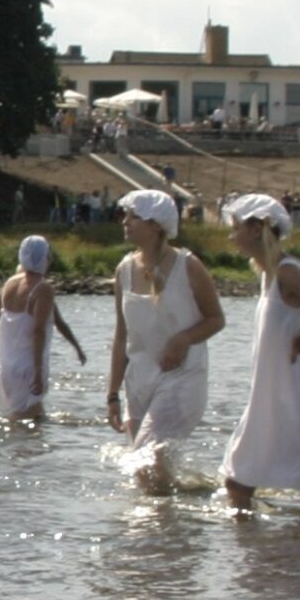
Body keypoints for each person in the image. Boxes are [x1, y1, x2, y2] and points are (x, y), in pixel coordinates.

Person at [219, 193, 300, 516]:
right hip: (273, 399)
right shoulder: (269, 274)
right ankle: (259, 560)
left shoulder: (288, 271)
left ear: (258, 227)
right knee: (237, 484)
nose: (231, 236)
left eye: (236, 227)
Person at [107, 189, 226, 493]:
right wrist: (112, 394)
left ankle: (159, 534)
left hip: (181, 378)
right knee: (147, 478)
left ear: (156, 225)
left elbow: (216, 319)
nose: (126, 221)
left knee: (145, 459)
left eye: (134, 216)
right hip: (138, 382)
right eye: (126, 215)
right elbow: (121, 335)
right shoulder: (123, 269)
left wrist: (184, 339)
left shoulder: (188, 266)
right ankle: (172, 530)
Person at [0, 235, 84, 416]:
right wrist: (38, 373)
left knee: (18, 423)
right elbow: (38, 332)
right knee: (34, 426)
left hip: (5, 367)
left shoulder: (9, 284)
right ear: (45, 259)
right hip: (28, 367)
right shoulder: (43, 289)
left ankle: (6, 446)